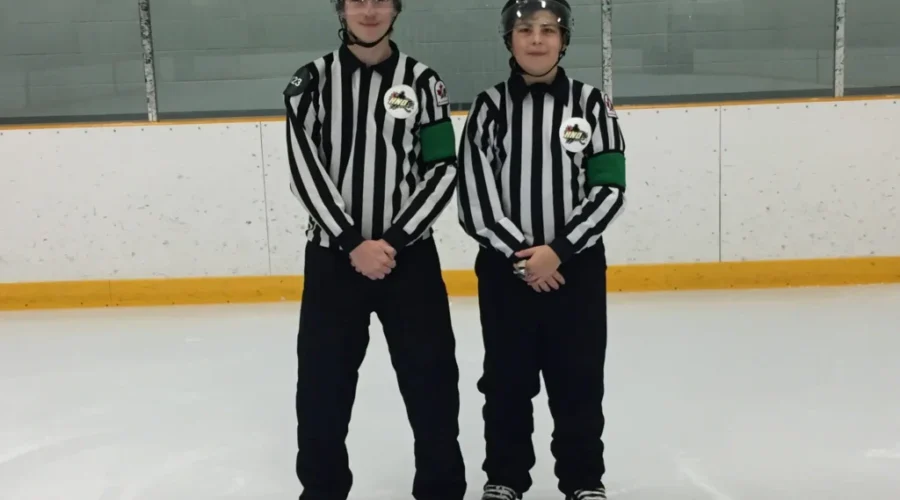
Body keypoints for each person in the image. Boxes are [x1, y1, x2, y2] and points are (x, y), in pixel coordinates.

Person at [282, 1, 465, 499]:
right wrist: (351, 242)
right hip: (332, 262)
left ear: (396, 9)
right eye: (357, 0)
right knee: (322, 388)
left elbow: (443, 166)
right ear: (341, 9)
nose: (369, 10)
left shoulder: (425, 83)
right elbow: (306, 170)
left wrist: (394, 240)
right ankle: (322, 491)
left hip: (410, 262)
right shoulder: (310, 82)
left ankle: (441, 489)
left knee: (432, 383)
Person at [456, 1, 627, 499]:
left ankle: (582, 481)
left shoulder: (594, 105)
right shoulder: (488, 107)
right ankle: (505, 477)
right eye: (525, 30)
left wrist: (560, 251)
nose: (536, 39)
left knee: (578, 380)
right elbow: (474, 195)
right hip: (504, 273)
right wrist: (525, 257)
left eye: (548, 30)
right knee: (506, 381)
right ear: (508, 39)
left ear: (564, 39)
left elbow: (609, 187)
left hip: (576, 270)